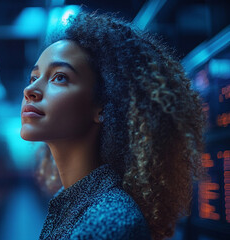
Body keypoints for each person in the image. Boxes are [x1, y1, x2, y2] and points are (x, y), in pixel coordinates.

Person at [20, 10, 205, 240]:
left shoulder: (107, 222)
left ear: (102, 106)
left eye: (59, 77)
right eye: (33, 77)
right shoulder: (78, 201)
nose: (30, 90)